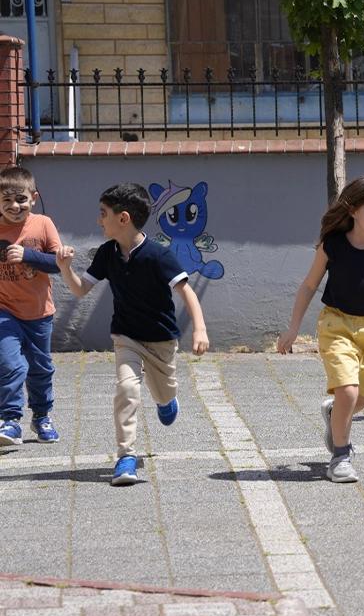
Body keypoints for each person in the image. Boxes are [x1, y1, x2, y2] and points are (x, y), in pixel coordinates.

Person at [55, 183, 210, 486]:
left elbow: (186, 292)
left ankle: (167, 401)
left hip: (161, 340)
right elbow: (80, 289)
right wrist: (65, 268)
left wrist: (200, 329)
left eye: (103, 214)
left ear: (123, 218)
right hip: (126, 337)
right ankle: (126, 456)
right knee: (127, 389)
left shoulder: (158, 255)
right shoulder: (106, 253)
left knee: (164, 390)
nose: (99, 220)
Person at [277, 176, 364, 483]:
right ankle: (341, 456)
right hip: (336, 323)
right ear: (352, 211)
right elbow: (309, 285)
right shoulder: (333, 245)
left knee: (358, 400)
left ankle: (334, 412)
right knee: (348, 390)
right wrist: (293, 328)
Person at [0, 167, 63, 446]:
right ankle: (10, 420)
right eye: (7, 200)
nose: (15, 206)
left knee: (40, 368)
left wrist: (27, 255)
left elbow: (57, 264)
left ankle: (41, 416)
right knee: (11, 364)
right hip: (5, 311)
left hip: (39, 313)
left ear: (33, 198)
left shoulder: (43, 224)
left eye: (21, 199)